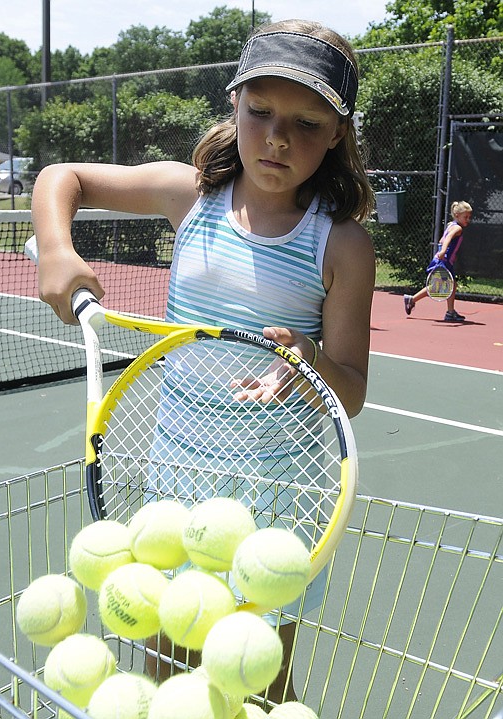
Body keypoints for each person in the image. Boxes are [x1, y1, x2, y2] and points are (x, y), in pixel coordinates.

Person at [32, 18, 375, 702]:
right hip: (177, 480)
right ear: (234, 104)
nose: (278, 137)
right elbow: (60, 176)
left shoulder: (341, 246)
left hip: (276, 503)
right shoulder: (188, 196)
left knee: (257, 676)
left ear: (338, 132)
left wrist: (307, 361)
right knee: (166, 661)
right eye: (261, 112)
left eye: (307, 123)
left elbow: (352, 389)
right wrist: (56, 249)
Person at [404, 200, 473, 322]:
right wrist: (444, 251)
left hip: (445, 260)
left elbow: (442, 239)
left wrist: (447, 252)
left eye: (469, 217)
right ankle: (448, 312)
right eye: (465, 217)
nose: (468, 219)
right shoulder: (457, 228)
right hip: (444, 261)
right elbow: (447, 239)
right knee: (440, 286)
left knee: (447, 285)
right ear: (457, 215)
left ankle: (449, 311)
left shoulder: (450, 225)